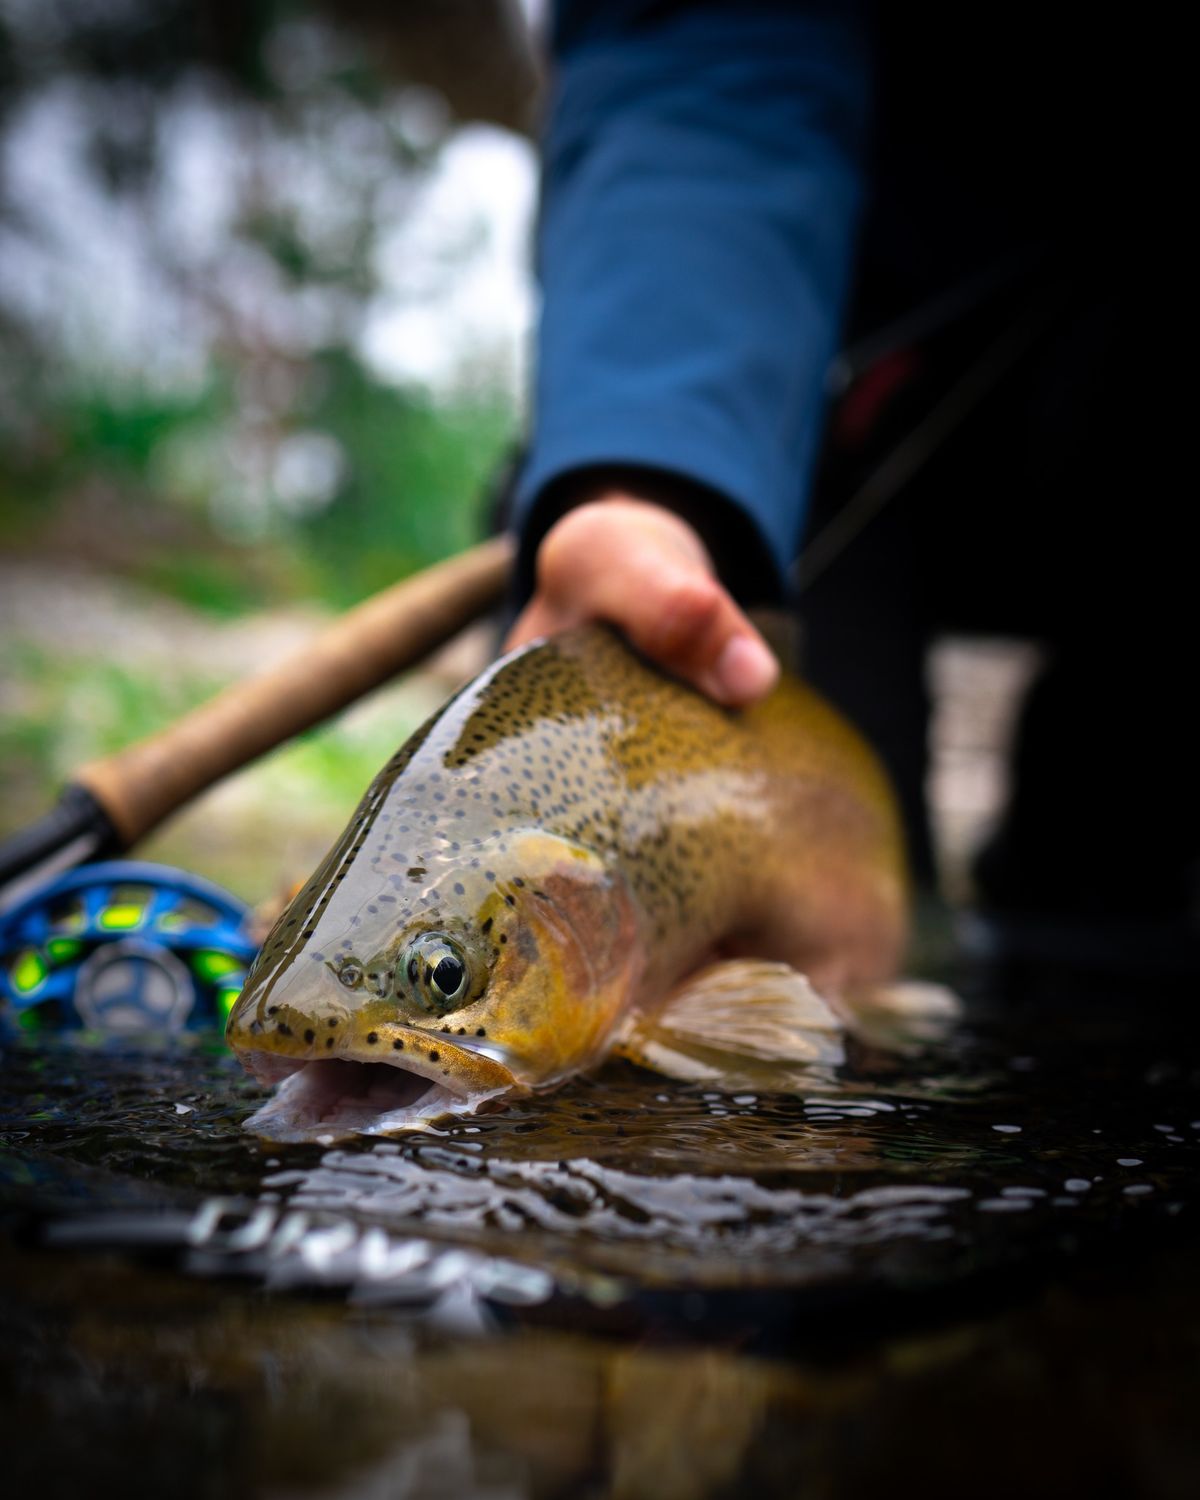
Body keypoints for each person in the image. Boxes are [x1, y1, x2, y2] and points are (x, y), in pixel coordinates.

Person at [503, 2, 1194, 940]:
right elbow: (703, 61)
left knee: (1115, 856)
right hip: (816, 395)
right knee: (846, 941)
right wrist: (645, 486)